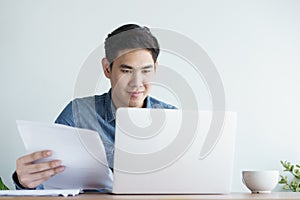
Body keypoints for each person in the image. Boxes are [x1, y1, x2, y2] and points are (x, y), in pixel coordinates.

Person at [12, 24, 176, 189]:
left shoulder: (173, 119)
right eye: (126, 71)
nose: (137, 83)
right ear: (107, 68)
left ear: (155, 68)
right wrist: (25, 182)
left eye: (146, 71)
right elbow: (47, 184)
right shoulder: (78, 114)